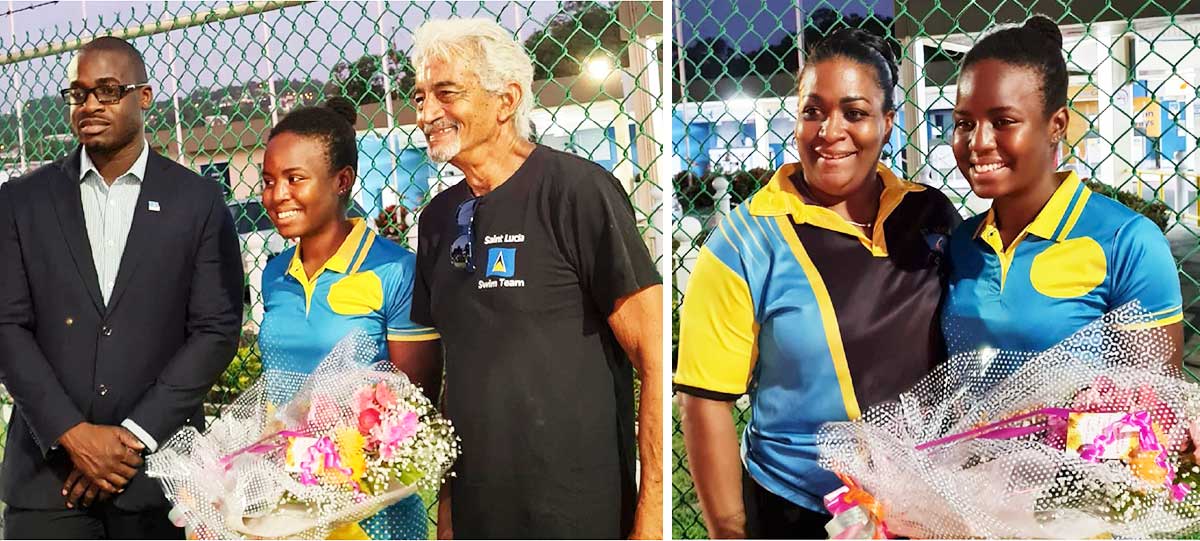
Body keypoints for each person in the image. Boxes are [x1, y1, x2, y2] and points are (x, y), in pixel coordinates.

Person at [675, 29, 961, 539]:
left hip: (926, 506)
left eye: (854, 112)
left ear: (887, 123)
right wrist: (729, 530)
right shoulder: (742, 242)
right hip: (798, 510)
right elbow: (704, 400)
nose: (831, 130)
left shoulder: (930, 212)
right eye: (813, 111)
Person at [407, 18, 663, 540]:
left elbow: (657, 357)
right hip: (481, 516)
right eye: (419, 96)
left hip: (576, 513)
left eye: (445, 93)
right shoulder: (435, 219)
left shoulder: (578, 191)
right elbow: (459, 376)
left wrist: (652, 519)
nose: (426, 113)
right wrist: (449, 521)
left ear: (506, 101)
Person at [0, 37, 243, 538]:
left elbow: (216, 328)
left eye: (107, 91)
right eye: (79, 93)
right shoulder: (21, 202)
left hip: (159, 479)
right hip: (49, 481)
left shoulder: (197, 200)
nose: (89, 105)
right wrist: (72, 435)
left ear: (145, 97)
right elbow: (6, 325)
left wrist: (132, 438)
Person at [941, 15, 1184, 367]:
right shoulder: (962, 242)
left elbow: (1153, 407)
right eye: (964, 123)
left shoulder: (1127, 242)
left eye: (1003, 122)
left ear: (1057, 125)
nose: (977, 142)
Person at [256, 98, 442, 539]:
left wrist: (341, 467)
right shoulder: (273, 274)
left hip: (373, 511)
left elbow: (414, 407)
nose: (277, 195)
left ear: (342, 181)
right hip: (289, 508)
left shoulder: (396, 269)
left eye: (294, 179)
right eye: (268, 181)